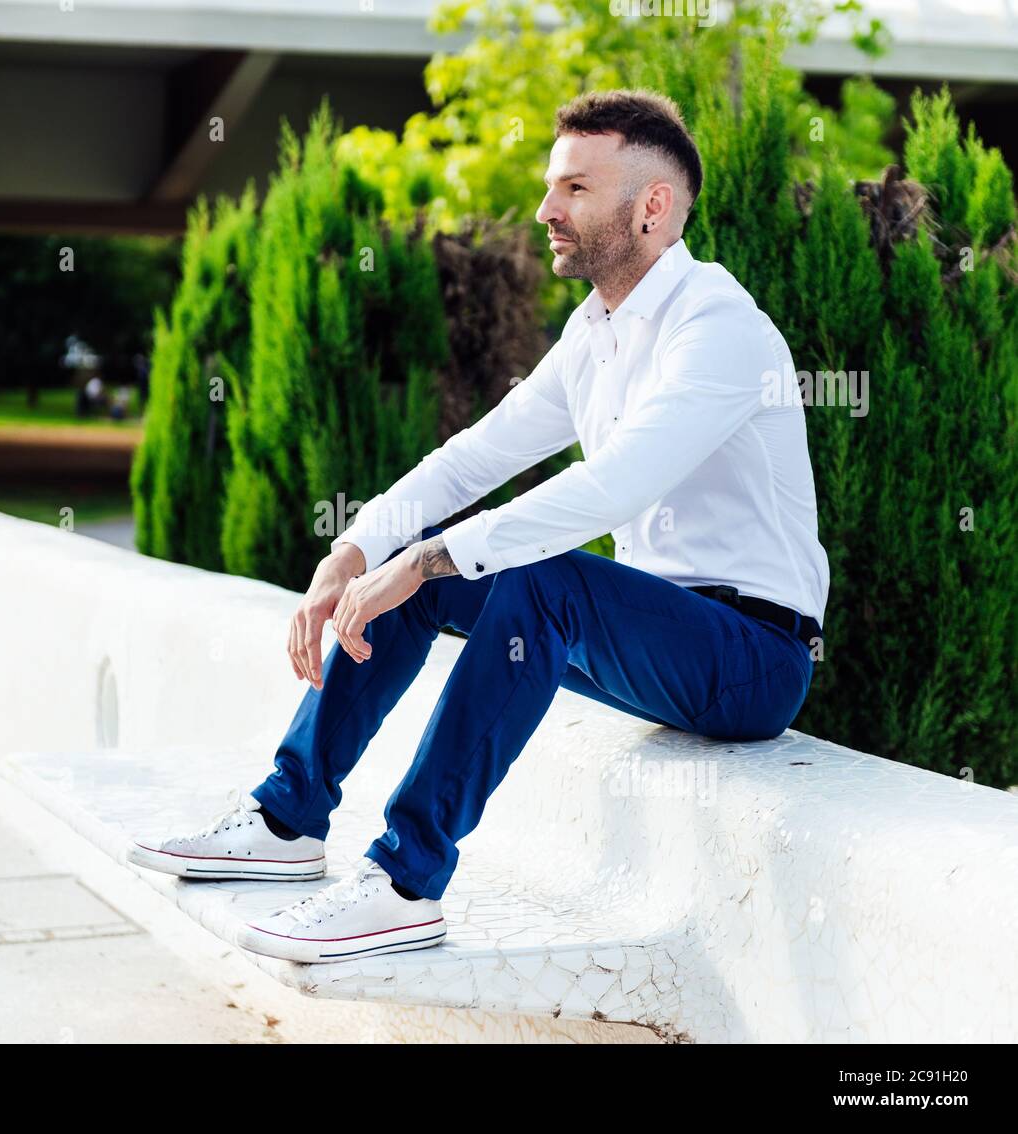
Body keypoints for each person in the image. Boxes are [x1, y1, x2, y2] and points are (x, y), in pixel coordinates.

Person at [128, 89, 829, 965]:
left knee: (528, 574)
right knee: (432, 575)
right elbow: (470, 457)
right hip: (651, 631)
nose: (545, 210)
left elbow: (611, 487)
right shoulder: (596, 330)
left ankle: (402, 885)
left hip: (753, 658)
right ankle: (287, 818)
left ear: (651, 207)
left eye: (574, 188)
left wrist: (422, 560)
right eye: (550, 187)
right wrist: (353, 552)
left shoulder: (719, 327)